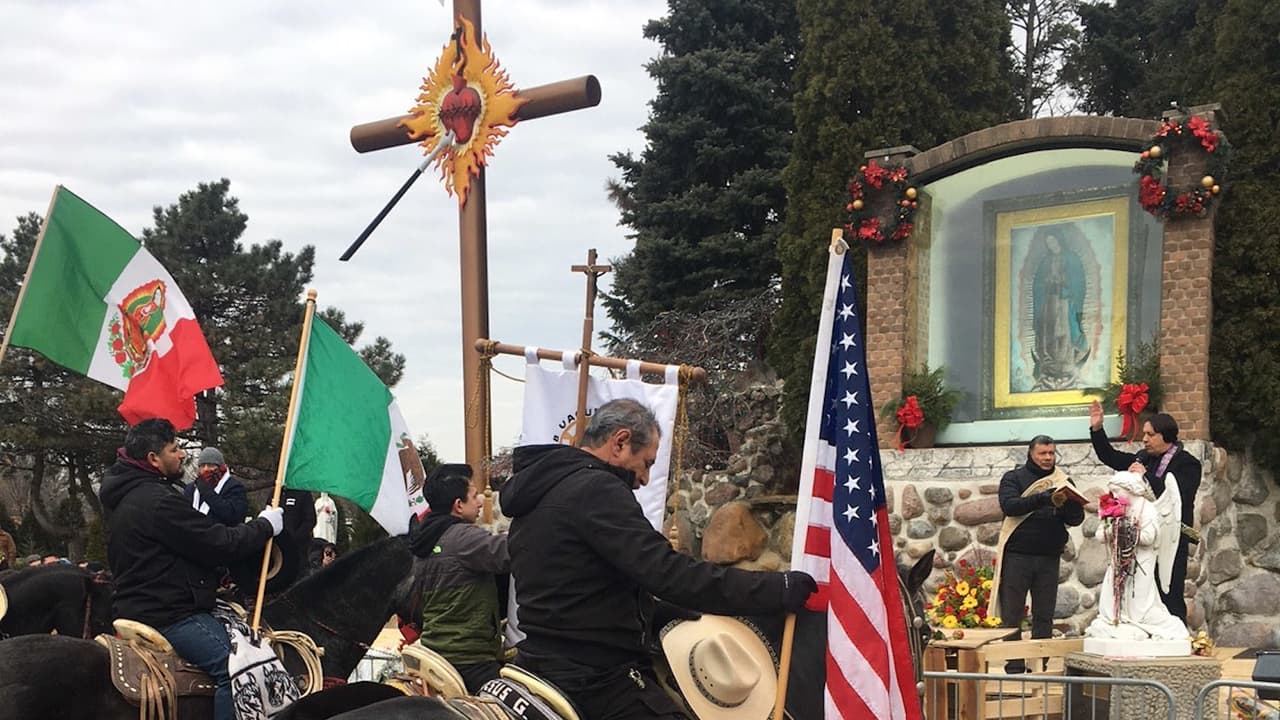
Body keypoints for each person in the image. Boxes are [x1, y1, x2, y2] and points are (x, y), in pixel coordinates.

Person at [501, 398, 817, 720]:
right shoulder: (596, 488)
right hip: (593, 678)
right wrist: (774, 590)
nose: (646, 479)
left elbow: (577, 584)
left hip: (542, 659)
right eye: (647, 463)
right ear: (620, 442)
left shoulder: (544, 490)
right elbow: (668, 572)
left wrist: (653, 612)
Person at [99, 418, 284, 720]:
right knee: (238, 668)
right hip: (169, 613)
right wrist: (265, 526)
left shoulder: (126, 495)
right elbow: (218, 542)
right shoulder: (158, 501)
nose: (183, 454)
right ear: (153, 459)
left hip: (138, 603)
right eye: (174, 449)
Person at [1089, 400, 1201, 621]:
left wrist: (1145, 476)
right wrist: (1097, 428)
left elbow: (1178, 493)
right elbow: (1110, 456)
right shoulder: (1144, 457)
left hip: (1172, 536)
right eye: (1144, 434)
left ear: (1166, 436)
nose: (1145, 439)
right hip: (1142, 538)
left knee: (1169, 589)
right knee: (1142, 590)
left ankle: (1174, 637)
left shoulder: (1189, 464)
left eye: (1150, 434)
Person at [409, 463, 509, 693]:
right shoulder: (464, 537)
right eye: (474, 496)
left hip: (436, 652)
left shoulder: (425, 540)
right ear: (458, 505)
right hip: (470, 659)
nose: (480, 501)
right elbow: (511, 553)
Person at [992, 435, 1084, 669]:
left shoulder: (1062, 480)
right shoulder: (1013, 478)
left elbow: (1075, 519)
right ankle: (1014, 665)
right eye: (1043, 453)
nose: (1047, 458)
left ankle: (1039, 665)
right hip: (1018, 555)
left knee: (1044, 614)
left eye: (1051, 453)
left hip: (1048, 557)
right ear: (1031, 453)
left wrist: (1072, 504)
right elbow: (1010, 506)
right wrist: (1044, 498)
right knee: (1013, 613)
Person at [1085, 471, 1189, 642]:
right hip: (1118, 561)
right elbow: (1100, 535)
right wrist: (1113, 529)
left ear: (1130, 489)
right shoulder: (1115, 508)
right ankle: (1117, 621)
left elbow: (1149, 538)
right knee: (1109, 600)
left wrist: (1128, 531)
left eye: (1117, 491)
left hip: (1142, 561)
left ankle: (1146, 624)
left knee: (1141, 605)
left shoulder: (1147, 508)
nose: (1114, 495)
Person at [183, 446, 248, 526]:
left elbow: (235, 517)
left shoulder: (234, 487)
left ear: (220, 467)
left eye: (210, 465)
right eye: (202, 466)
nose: (206, 469)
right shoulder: (191, 489)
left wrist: (208, 493)